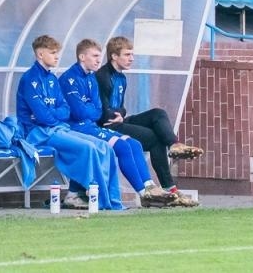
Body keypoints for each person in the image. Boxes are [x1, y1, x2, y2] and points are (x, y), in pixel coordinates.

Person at [59, 39, 174, 206]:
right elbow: (81, 112)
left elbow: (98, 109)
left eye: (99, 56)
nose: (98, 59)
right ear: (82, 57)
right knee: (122, 146)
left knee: (134, 144)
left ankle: (149, 186)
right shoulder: (71, 78)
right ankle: (144, 194)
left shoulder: (91, 78)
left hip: (90, 125)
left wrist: (93, 110)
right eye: (95, 56)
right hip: (77, 128)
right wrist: (92, 110)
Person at [16, 35, 122, 210]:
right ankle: (90, 197)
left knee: (105, 147)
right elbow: (41, 117)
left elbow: (65, 111)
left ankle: (111, 199)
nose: (57, 56)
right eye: (53, 53)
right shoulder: (30, 79)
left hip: (58, 128)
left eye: (58, 53)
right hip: (38, 133)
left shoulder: (52, 79)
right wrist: (53, 114)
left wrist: (53, 114)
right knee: (87, 147)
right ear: (40, 54)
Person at [95, 36, 202, 204]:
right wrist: (116, 114)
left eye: (132, 54)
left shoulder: (121, 77)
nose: (132, 59)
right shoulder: (102, 76)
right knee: (154, 139)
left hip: (119, 121)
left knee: (158, 113)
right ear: (114, 56)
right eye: (127, 54)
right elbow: (102, 112)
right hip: (106, 126)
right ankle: (168, 189)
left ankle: (174, 144)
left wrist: (120, 113)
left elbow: (121, 107)